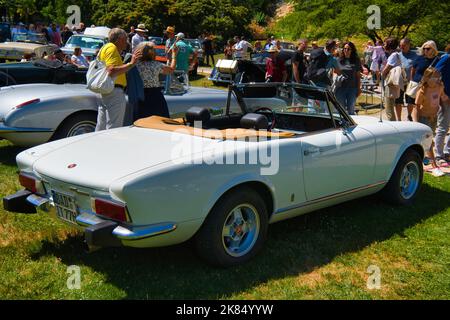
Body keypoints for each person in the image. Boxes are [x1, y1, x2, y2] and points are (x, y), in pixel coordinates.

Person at [95, 28, 142, 131]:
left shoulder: (105, 47)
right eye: (125, 39)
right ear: (119, 39)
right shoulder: (112, 48)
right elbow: (111, 70)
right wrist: (131, 64)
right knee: (113, 128)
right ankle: (110, 146)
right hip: (113, 91)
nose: (127, 42)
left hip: (106, 90)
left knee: (101, 126)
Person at [134, 42, 174, 119]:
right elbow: (171, 70)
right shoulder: (156, 65)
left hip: (139, 95)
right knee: (159, 121)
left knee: (140, 121)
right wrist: (174, 56)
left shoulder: (134, 64)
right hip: (155, 95)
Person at [335, 41, 362, 115]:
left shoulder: (356, 60)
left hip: (352, 88)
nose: (346, 50)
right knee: (340, 110)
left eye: (348, 49)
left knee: (351, 110)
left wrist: (359, 88)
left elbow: (358, 75)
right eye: (345, 49)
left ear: (352, 50)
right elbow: (335, 73)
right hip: (340, 88)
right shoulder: (338, 60)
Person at [434, 44, 450, 165]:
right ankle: (439, 155)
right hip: (445, 98)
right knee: (443, 126)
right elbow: (435, 75)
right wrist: (443, 94)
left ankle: (447, 151)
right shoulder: (446, 58)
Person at [395, 38, 418, 121]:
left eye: (404, 45)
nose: (402, 47)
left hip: (410, 82)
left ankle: (409, 115)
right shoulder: (397, 55)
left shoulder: (415, 56)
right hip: (399, 82)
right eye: (400, 45)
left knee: (410, 101)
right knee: (398, 101)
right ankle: (399, 119)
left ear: (409, 45)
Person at [381, 37, 403, 121]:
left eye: (385, 44)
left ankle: (393, 125)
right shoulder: (397, 54)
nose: (383, 45)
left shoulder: (393, 55)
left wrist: (381, 74)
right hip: (394, 83)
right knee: (390, 105)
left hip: (390, 84)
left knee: (389, 107)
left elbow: (386, 69)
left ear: (389, 45)